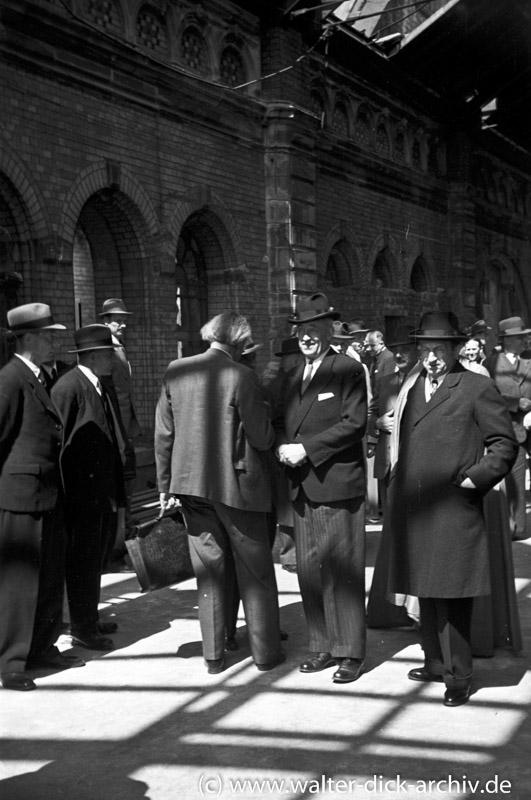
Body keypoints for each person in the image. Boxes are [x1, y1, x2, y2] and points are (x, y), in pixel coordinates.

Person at [386, 311, 517, 706]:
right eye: (424, 348)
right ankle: (433, 660)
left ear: (455, 349)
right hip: (417, 506)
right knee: (426, 588)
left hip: (455, 506)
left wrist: (473, 479)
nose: (431, 357)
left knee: (454, 594)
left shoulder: (476, 387)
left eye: (438, 348)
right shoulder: (415, 388)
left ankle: (459, 675)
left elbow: (504, 446)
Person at [155, 311, 284, 675]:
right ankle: (265, 654)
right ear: (240, 341)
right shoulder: (242, 376)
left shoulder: (176, 369)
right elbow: (261, 436)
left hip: (190, 488)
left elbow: (164, 434)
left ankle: (213, 656)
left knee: (209, 572)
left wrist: (166, 486)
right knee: (255, 572)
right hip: (238, 489)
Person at [276, 293, 367, 684]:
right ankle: (322, 646)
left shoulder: (346, 368)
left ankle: (350, 652)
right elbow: (284, 420)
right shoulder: (295, 373)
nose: (307, 337)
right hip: (302, 486)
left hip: (336, 484)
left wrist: (306, 450)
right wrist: (284, 444)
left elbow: (354, 423)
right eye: (301, 331)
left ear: (329, 330)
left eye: (314, 329)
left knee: (340, 570)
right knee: (310, 569)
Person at [0, 303, 84, 691]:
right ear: (28, 339)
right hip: (19, 498)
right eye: (49, 336)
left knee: (49, 576)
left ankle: (41, 648)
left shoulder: (38, 376)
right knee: (20, 583)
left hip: (47, 495)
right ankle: (11, 663)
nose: (55, 342)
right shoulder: (10, 379)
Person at [52, 325, 126, 651]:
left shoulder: (99, 386)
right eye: (109, 353)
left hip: (100, 492)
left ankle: (89, 616)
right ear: (93, 355)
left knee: (95, 557)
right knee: (82, 560)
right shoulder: (68, 387)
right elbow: (57, 442)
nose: (113, 358)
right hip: (80, 496)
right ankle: (81, 627)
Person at [485, 316, 531, 541]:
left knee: (519, 481)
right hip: (504, 430)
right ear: (508, 340)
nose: (525, 340)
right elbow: (487, 397)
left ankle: (520, 528)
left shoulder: (529, 362)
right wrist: (516, 403)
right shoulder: (492, 364)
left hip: (525, 429)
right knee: (507, 481)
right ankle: (509, 527)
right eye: (521, 337)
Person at [99, 298, 141, 546]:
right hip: (117, 429)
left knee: (129, 481)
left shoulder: (119, 348)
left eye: (124, 320)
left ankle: (126, 532)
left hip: (126, 428)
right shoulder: (107, 352)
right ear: (105, 321)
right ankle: (120, 538)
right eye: (117, 321)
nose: (122, 325)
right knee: (123, 482)